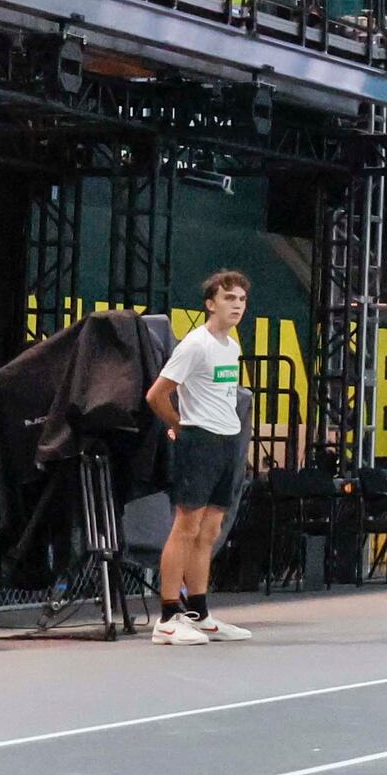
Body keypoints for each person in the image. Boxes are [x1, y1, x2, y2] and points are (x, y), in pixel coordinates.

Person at [144, 270, 255, 645]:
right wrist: (178, 426)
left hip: (227, 443)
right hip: (198, 442)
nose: (237, 305)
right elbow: (157, 394)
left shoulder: (231, 346)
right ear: (211, 304)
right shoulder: (195, 344)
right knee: (186, 527)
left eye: (241, 299)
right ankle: (167, 618)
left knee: (209, 532)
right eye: (229, 299)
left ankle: (200, 613)